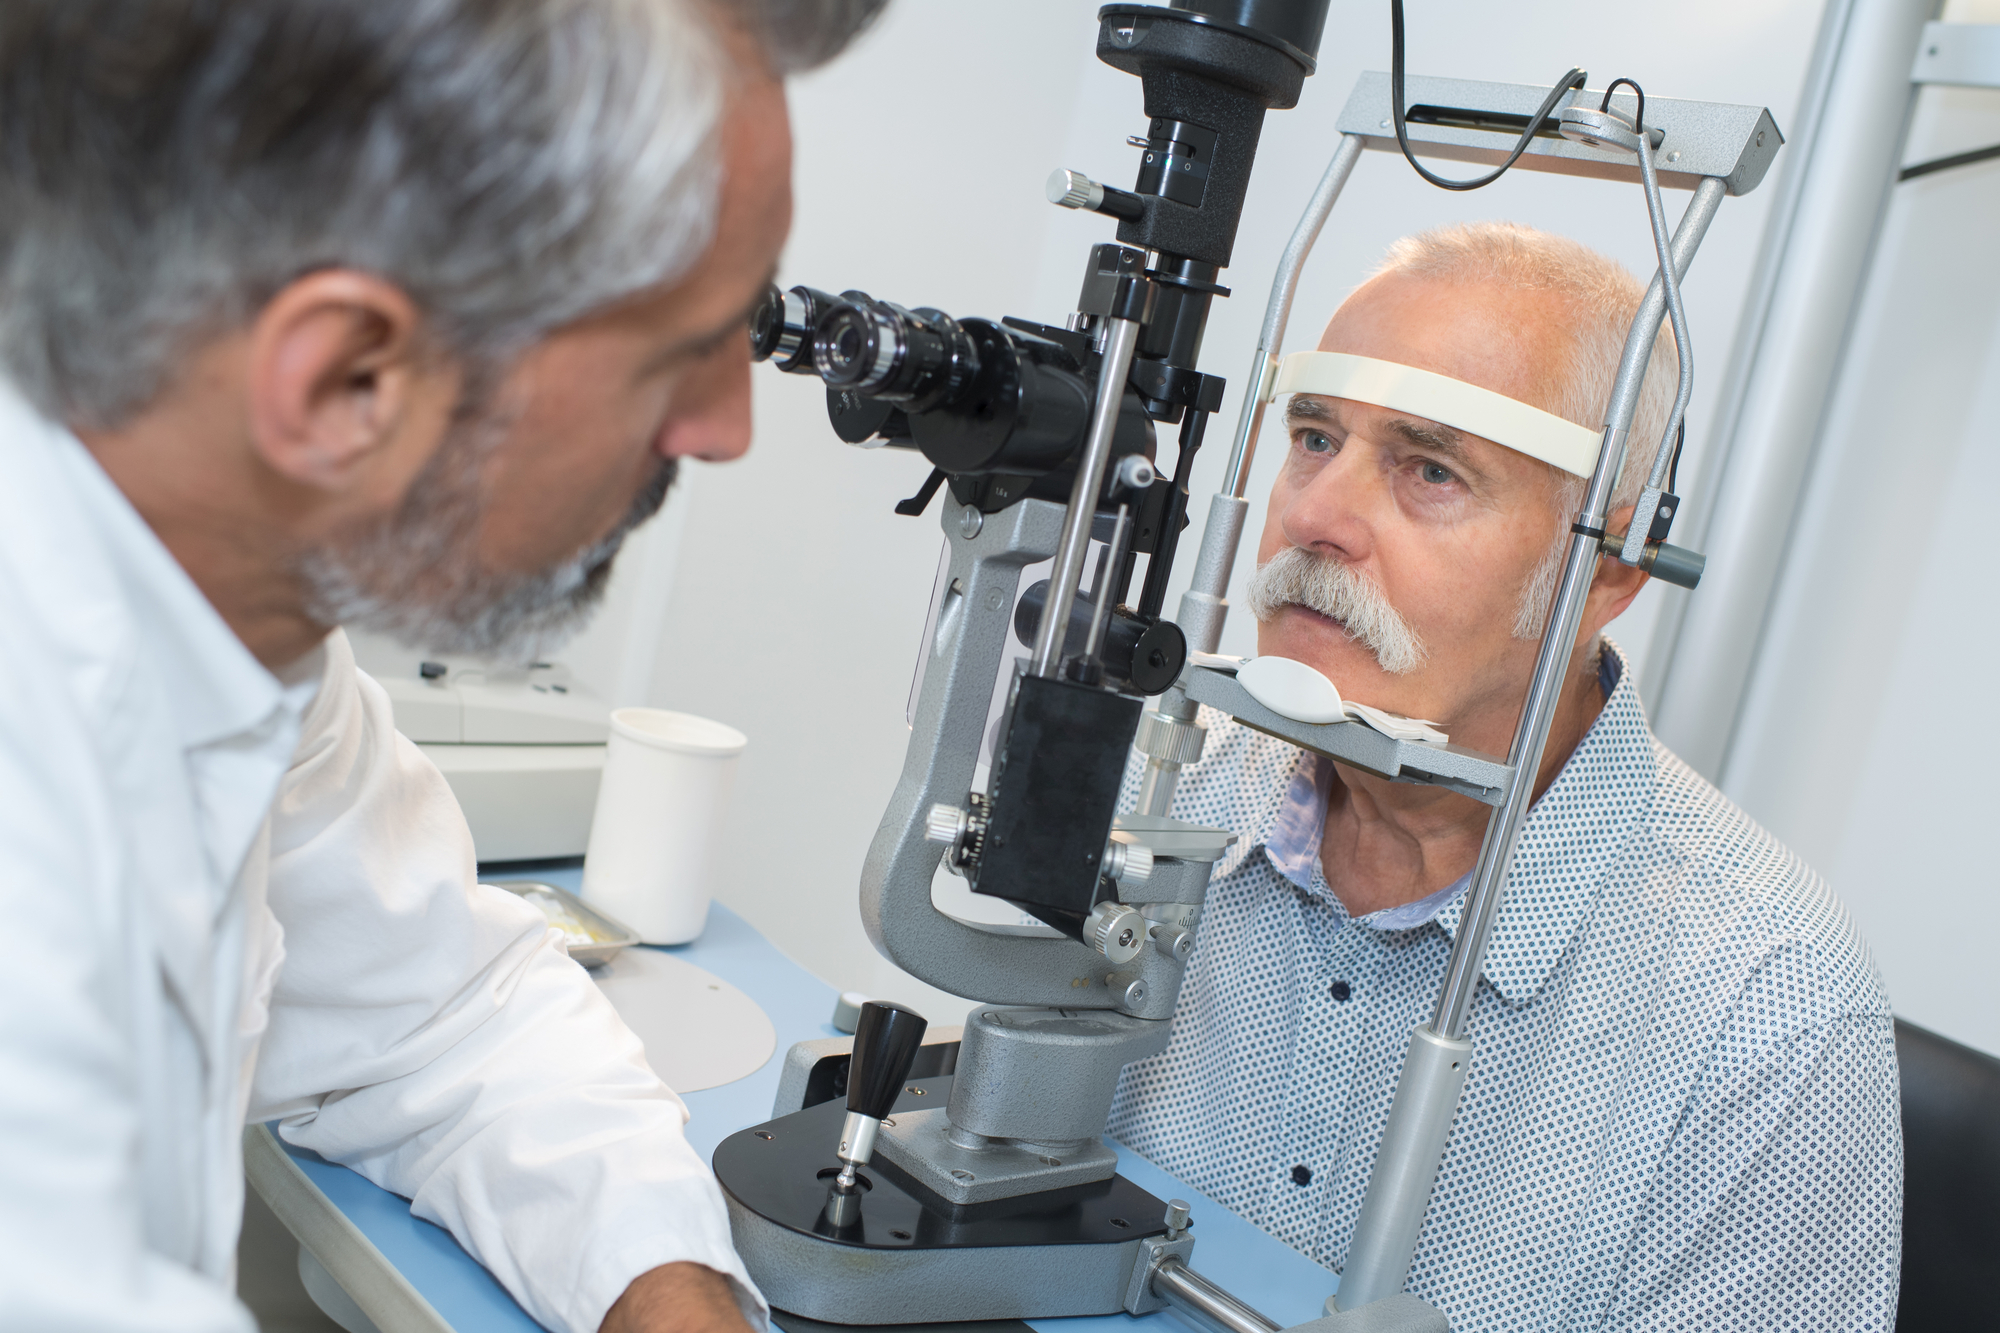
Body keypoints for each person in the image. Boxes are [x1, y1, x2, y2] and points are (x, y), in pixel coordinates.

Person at [0, 2, 883, 1331]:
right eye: (680, 350)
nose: (725, 428)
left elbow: (444, 1020)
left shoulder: (241, 623)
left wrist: (668, 1291)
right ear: (347, 378)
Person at [1107, 223, 1902, 1330]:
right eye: (1312, 437)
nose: (1312, 518)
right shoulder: (1164, 791)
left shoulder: (1765, 1011)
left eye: (1429, 469)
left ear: (1608, 569)